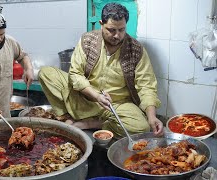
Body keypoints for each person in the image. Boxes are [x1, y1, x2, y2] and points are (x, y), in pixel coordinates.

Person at [39, 2, 163, 139]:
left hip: (116, 106)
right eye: (111, 30)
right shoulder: (87, 40)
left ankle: (90, 123)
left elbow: (147, 86)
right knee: (46, 73)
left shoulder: (135, 50)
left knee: (141, 128)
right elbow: (75, 75)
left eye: (121, 30)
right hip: (85, 97)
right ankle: (67, 117)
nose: (117, 35)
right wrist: (96, 96)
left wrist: (152, 117)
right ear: (101, 24)